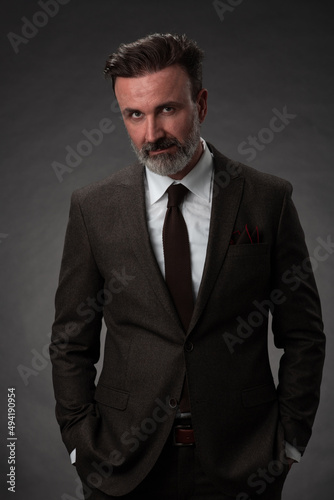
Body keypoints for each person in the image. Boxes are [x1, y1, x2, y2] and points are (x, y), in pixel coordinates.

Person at [50, 33, 325, 500]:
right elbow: (70, 340)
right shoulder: (92, 208)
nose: (151, 133)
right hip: (121, 464)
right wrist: (81, 443)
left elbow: (303, 335)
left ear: (200, 103)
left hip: (244, 462)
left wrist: (290, 443)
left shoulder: (267, 199)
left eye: (167, 110)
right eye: (134, 115)